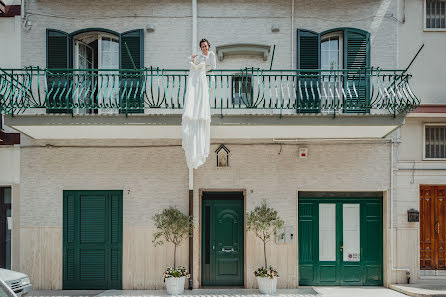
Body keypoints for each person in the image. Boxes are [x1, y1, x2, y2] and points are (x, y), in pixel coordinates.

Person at [182, 38, 216, 169]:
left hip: (207, 77)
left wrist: (203, 70)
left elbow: (213, 66)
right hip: (200, 78)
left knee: (205, 98)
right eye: (202, 46)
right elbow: (190, 61)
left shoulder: (211, 55)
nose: (204, 48)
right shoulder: (200, 55)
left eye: (205, 46)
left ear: (208, 46)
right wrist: (193, 58)